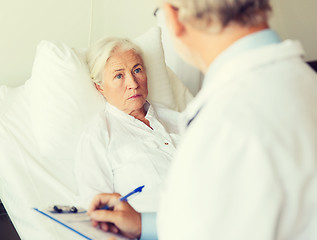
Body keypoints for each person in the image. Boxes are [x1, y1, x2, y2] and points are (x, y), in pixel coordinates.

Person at [87, 0, 317, 239]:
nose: (132, 83)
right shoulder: (306, 82)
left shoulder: (222, 120)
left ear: (173, 19)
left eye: (137, 70)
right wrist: (144, 224)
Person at [75, 37, 180, 216]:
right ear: (100, 87)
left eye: (137, 70)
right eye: (119, 75)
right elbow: (98, 211)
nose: (133, 84)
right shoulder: (98, 135)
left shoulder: (178, 120)